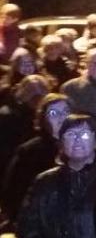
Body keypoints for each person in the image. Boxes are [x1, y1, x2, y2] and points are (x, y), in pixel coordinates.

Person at [1, 94, 70, 227]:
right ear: (44, 118)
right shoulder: (29, 152)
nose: (61, 118)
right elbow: (13, 194)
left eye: (65, 112)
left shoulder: (84, 148)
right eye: (54, 113)